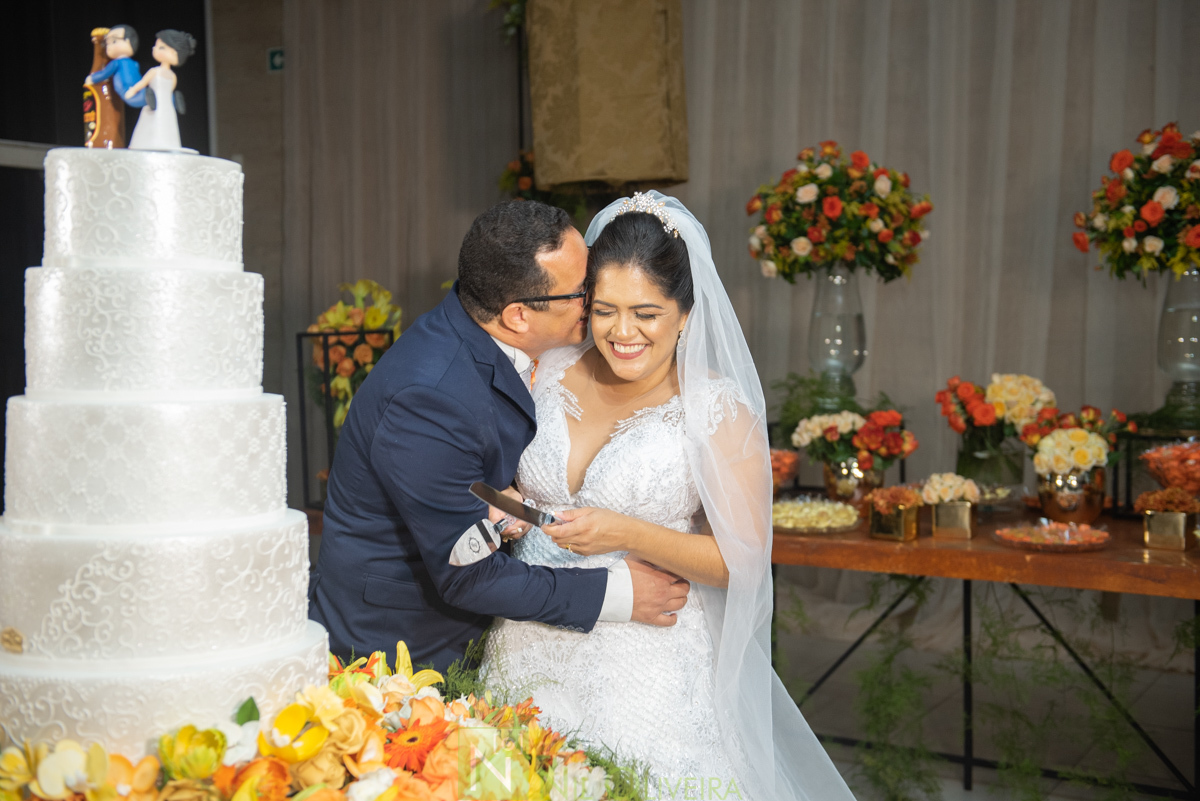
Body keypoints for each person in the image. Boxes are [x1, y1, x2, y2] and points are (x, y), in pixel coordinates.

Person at [481, 193, 857, 801]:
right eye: (604, 310)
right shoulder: (546, 370)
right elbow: (523, 475)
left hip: (645, 666)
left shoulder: (716, 408)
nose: (622, 333)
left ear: (685, 313)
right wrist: (509, 500)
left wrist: (626, 533)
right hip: (529, 638)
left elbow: (742, 562)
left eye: (646, 313)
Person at [309, 200, 691, 672]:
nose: (594, 303)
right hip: (399, 652)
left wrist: (501, 501)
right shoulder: (429, 397)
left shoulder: (501, 342)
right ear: (518, 316)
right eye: (582, 291)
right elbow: (466, 577)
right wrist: (617, 593)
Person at [125, 30, 196, 151]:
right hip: (155, 104)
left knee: (165, 124)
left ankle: (166, 144)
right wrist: (133, 90)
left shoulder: (172, 76)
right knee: (150, 123)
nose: (155, 49)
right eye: (156, 46)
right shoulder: (155, 71)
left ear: (173, 52)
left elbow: (170, 91)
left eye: (161, 47)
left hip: (166, 106)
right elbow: (143, 83)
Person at [85, 25, 146, 108]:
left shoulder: (116, 63)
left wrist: (92, 78)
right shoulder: (134, 63)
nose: (109, 47)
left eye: (113, 41)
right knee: (143, 97)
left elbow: (104, 74)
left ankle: (149, 96)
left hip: (128, 90)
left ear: (127, 41)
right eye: (107, 44)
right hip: (135, 90)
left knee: (137, 98)